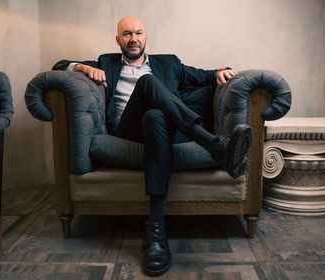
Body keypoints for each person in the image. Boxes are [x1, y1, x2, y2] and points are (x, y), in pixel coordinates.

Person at [53, 16, 252, 276]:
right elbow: (58, 66)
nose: (133, 39)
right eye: (126, 34)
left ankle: (155, 231)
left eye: (138, 33)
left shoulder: (169, 63)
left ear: (146, 37)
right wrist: (82, 67)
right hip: (127, 130)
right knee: (146, 83)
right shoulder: (106, 62)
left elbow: (205, 76)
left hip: (163, 131)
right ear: (118, 40)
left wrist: (221, 72)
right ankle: (213, 145)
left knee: (156, 116)